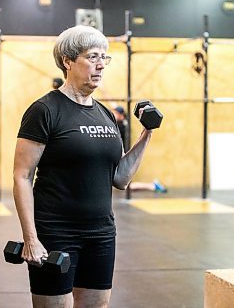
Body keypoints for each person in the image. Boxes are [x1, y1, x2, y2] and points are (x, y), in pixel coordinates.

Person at [13, 25, 154, 308]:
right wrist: (31, 238)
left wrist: (147, 133)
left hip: (101, 234)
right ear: (68, 61)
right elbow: (22, 176)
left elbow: (121, 178)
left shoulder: (105, 115)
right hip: (55, 231)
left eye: (104, 57)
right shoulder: (45, 110)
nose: (101, 64)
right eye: (92, 57)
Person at [109, 104, 168, 193]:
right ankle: (153, 186)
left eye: (116, 113)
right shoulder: (123, 123)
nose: (114, 114)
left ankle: (153, 186)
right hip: (120, 157)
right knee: (124, 185)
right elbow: (113, 105)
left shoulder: (120, 126)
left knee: (125, 185)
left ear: (121, 115)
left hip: (122, 159)